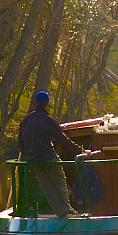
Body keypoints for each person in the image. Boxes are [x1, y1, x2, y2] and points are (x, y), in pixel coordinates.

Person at [18, 90, 93, 218]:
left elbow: (21, 143)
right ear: (47, 104)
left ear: (35, 103)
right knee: (60, 182)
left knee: (48, 187)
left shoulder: (26, 121)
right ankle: (67, 212)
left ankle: (62, 212)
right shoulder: (49, 121)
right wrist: (82, 151)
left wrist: (29, 157)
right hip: (49, 158)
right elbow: (64, 141)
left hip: (34, 161)